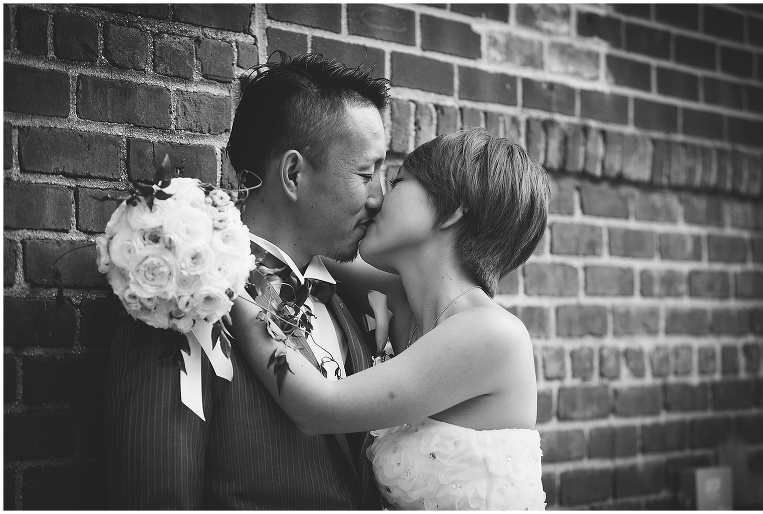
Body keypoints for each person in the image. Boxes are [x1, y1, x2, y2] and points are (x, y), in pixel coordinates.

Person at [103, 52, 389, 509]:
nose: (380, 198)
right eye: (365, 173)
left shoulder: (349, 304)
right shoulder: (182, 294)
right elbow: (160, 493)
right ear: (293, 174)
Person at [230, 127, 551, 510]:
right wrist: (208, 221)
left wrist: (223, 284)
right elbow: (292, 236)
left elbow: (320, 408)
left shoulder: (492, 333)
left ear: (453, 209)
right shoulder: (405, 301)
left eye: (399, 181)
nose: (379, 198)